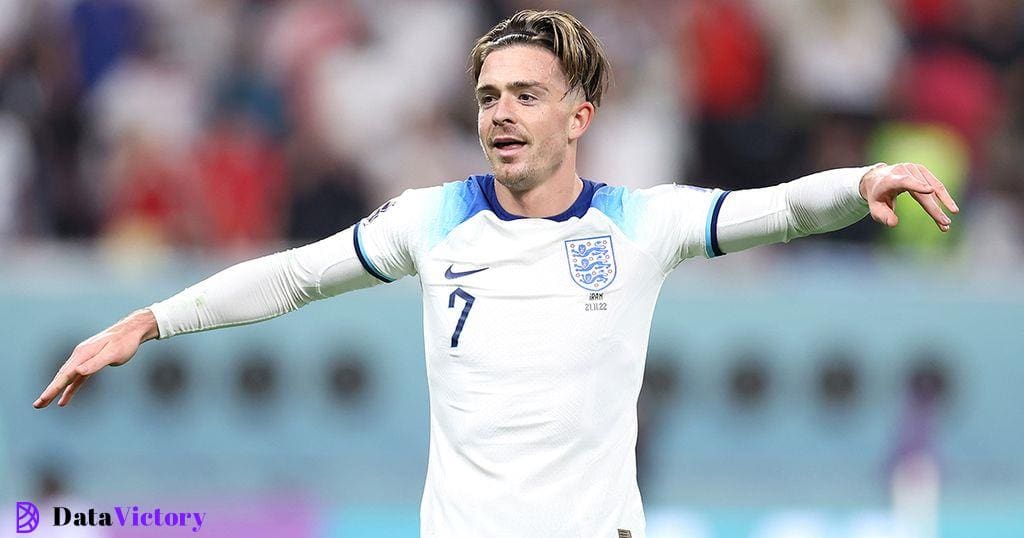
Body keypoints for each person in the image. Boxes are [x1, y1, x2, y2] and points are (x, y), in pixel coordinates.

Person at [35, 10, 958, 538]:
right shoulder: (429, 221)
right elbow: (289, 279)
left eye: (526, 94)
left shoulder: (641, 224)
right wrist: (150, 321)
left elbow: (779, 207)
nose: (502, 114)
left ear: (578, 116)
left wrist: (865, 179)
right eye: (487, 97)